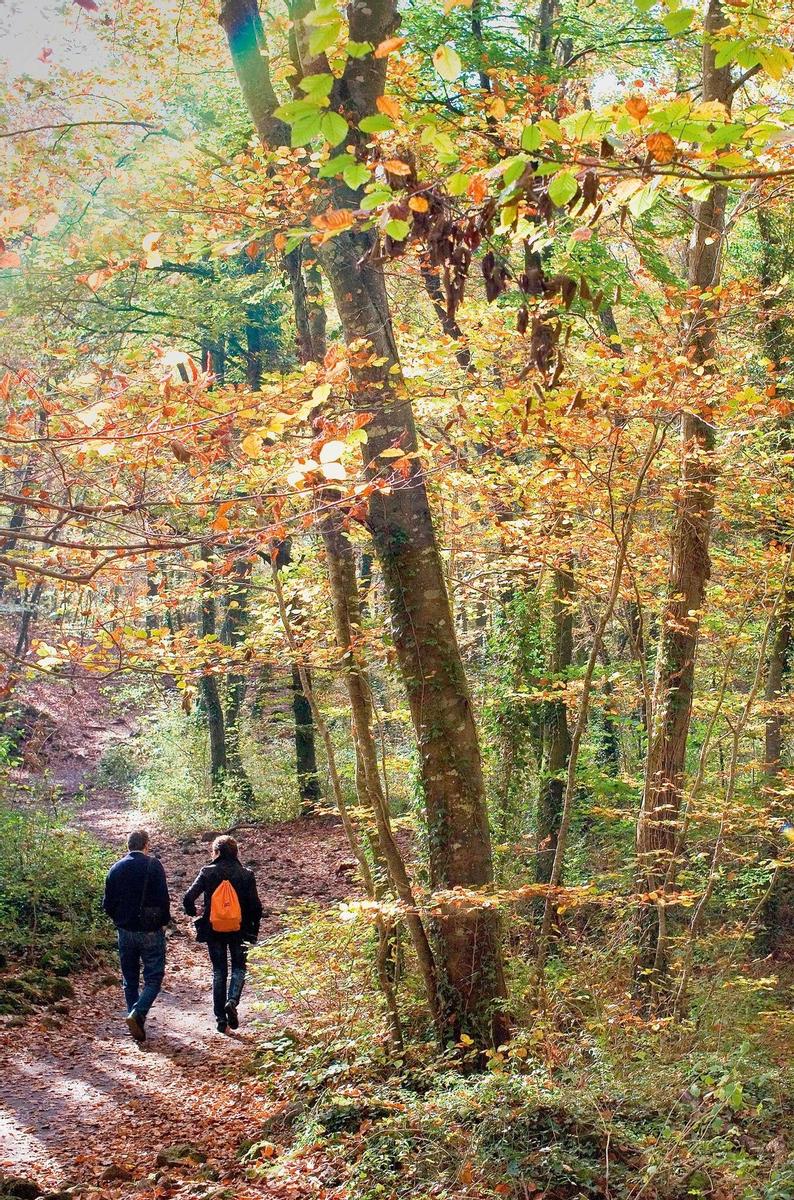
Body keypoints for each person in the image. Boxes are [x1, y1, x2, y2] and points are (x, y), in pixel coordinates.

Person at [183, 835, 262, 1033]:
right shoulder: (246, 874)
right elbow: (256, 907)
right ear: (236, 852)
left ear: (216, 852)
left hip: (214, 929)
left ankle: (220, 1020)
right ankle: (232, 1001)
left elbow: (188, 898)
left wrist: (195, 912)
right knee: (239, 967)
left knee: (219, 971)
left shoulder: (207, 872)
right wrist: (253, 930)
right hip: (239, 929)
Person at [102, 829, 170, 1043]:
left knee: (129, 980)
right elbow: (164, 899)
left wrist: (120, 920)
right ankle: (138, 1013)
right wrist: (163, 922)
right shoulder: (154, 865)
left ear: (128, 846)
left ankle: (135, 1018)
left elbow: (107, 904)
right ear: (146, 845)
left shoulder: (115, 869)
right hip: (150, 931)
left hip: (125, 932)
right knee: (154, 977)